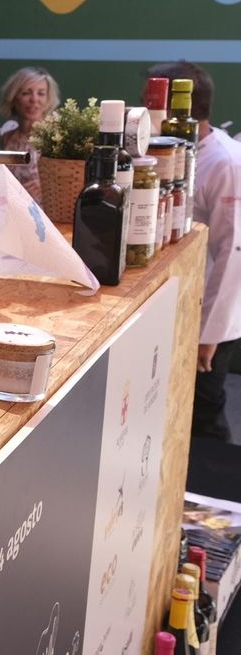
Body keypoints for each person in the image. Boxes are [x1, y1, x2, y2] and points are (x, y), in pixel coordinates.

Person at [147, 62, 241, 441]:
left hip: (211, 318)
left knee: (204, 415)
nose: (145, 114)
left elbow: (233, 252)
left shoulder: (226, 162)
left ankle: (216, 499)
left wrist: (209, 334)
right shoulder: (168, 150)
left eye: (150, 103)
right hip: (175, 306)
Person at [0, 66, 60, 199]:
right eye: (26, 93)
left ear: (48, 100)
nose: (34, 99)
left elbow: (73, 180)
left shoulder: (58, 136)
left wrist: (45, 187)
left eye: (41, 93)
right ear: (13, 98)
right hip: (16, 211)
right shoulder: (8, 138)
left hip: (49, 212)